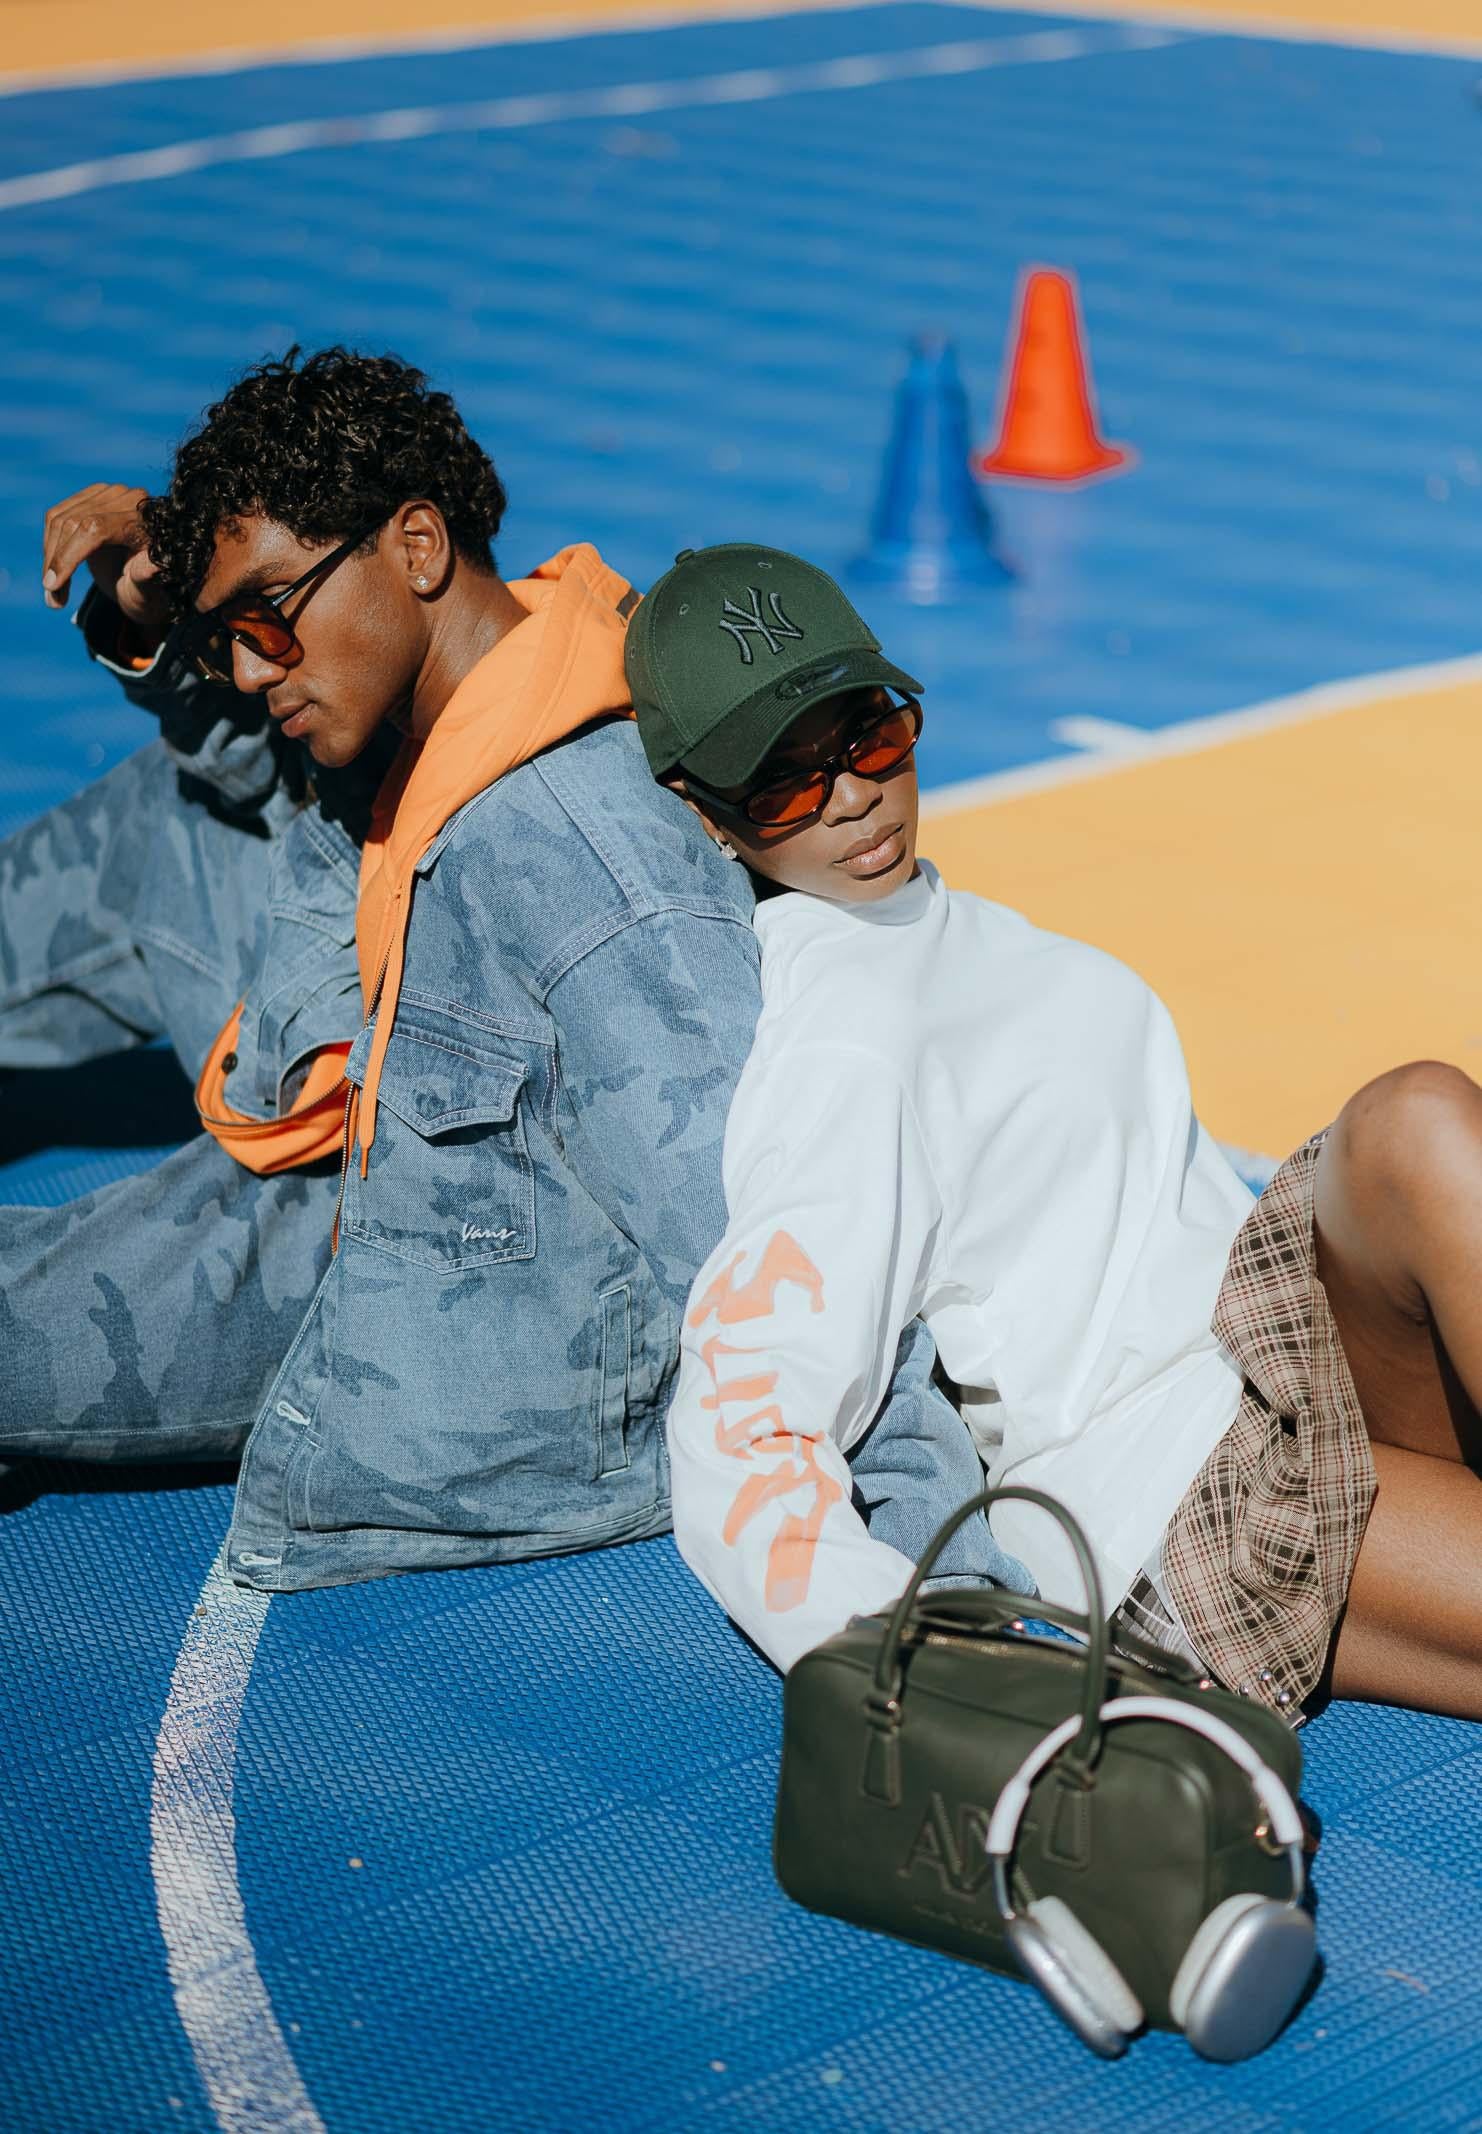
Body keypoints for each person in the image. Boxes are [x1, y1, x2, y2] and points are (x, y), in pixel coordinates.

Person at [0, 353, 1012, 1602]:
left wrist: (954, 1599)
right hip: (331, 1020)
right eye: (230, 637)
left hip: (377, 1236)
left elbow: (776, 1257)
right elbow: (263, 758)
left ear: (417, 547)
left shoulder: (579, 870)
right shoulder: (502, 650)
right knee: (168, 810)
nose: (253, 669)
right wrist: (160, 617)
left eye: (266, 619)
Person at [629, 541, 1482, 1723]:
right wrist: (912, 1673)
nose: (852, 795)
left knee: (1414, 1119)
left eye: (868, 734)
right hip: (1188, 1487)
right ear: (706, 817)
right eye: (783, 782)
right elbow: (745, 1413)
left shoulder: (946, 927)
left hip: (1276, 1346)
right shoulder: (842, 1042)